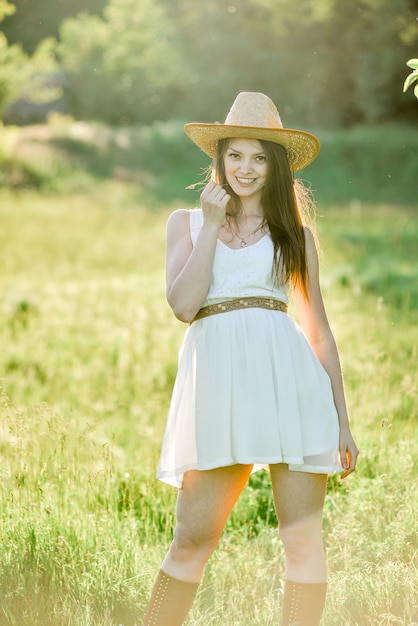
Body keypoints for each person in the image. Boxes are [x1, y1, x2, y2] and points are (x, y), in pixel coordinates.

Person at [141, 92, 359, 626]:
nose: (246, 168)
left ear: (275, 166)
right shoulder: (187, 224)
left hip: (294, 390)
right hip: (220, 393)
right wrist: (213, 225)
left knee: (302, 540)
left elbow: (319, 333)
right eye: (236, 155)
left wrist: (343, 422)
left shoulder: (294, 235)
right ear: (219, 160)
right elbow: (183, 306)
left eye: (260, 157)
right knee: (192, 538)